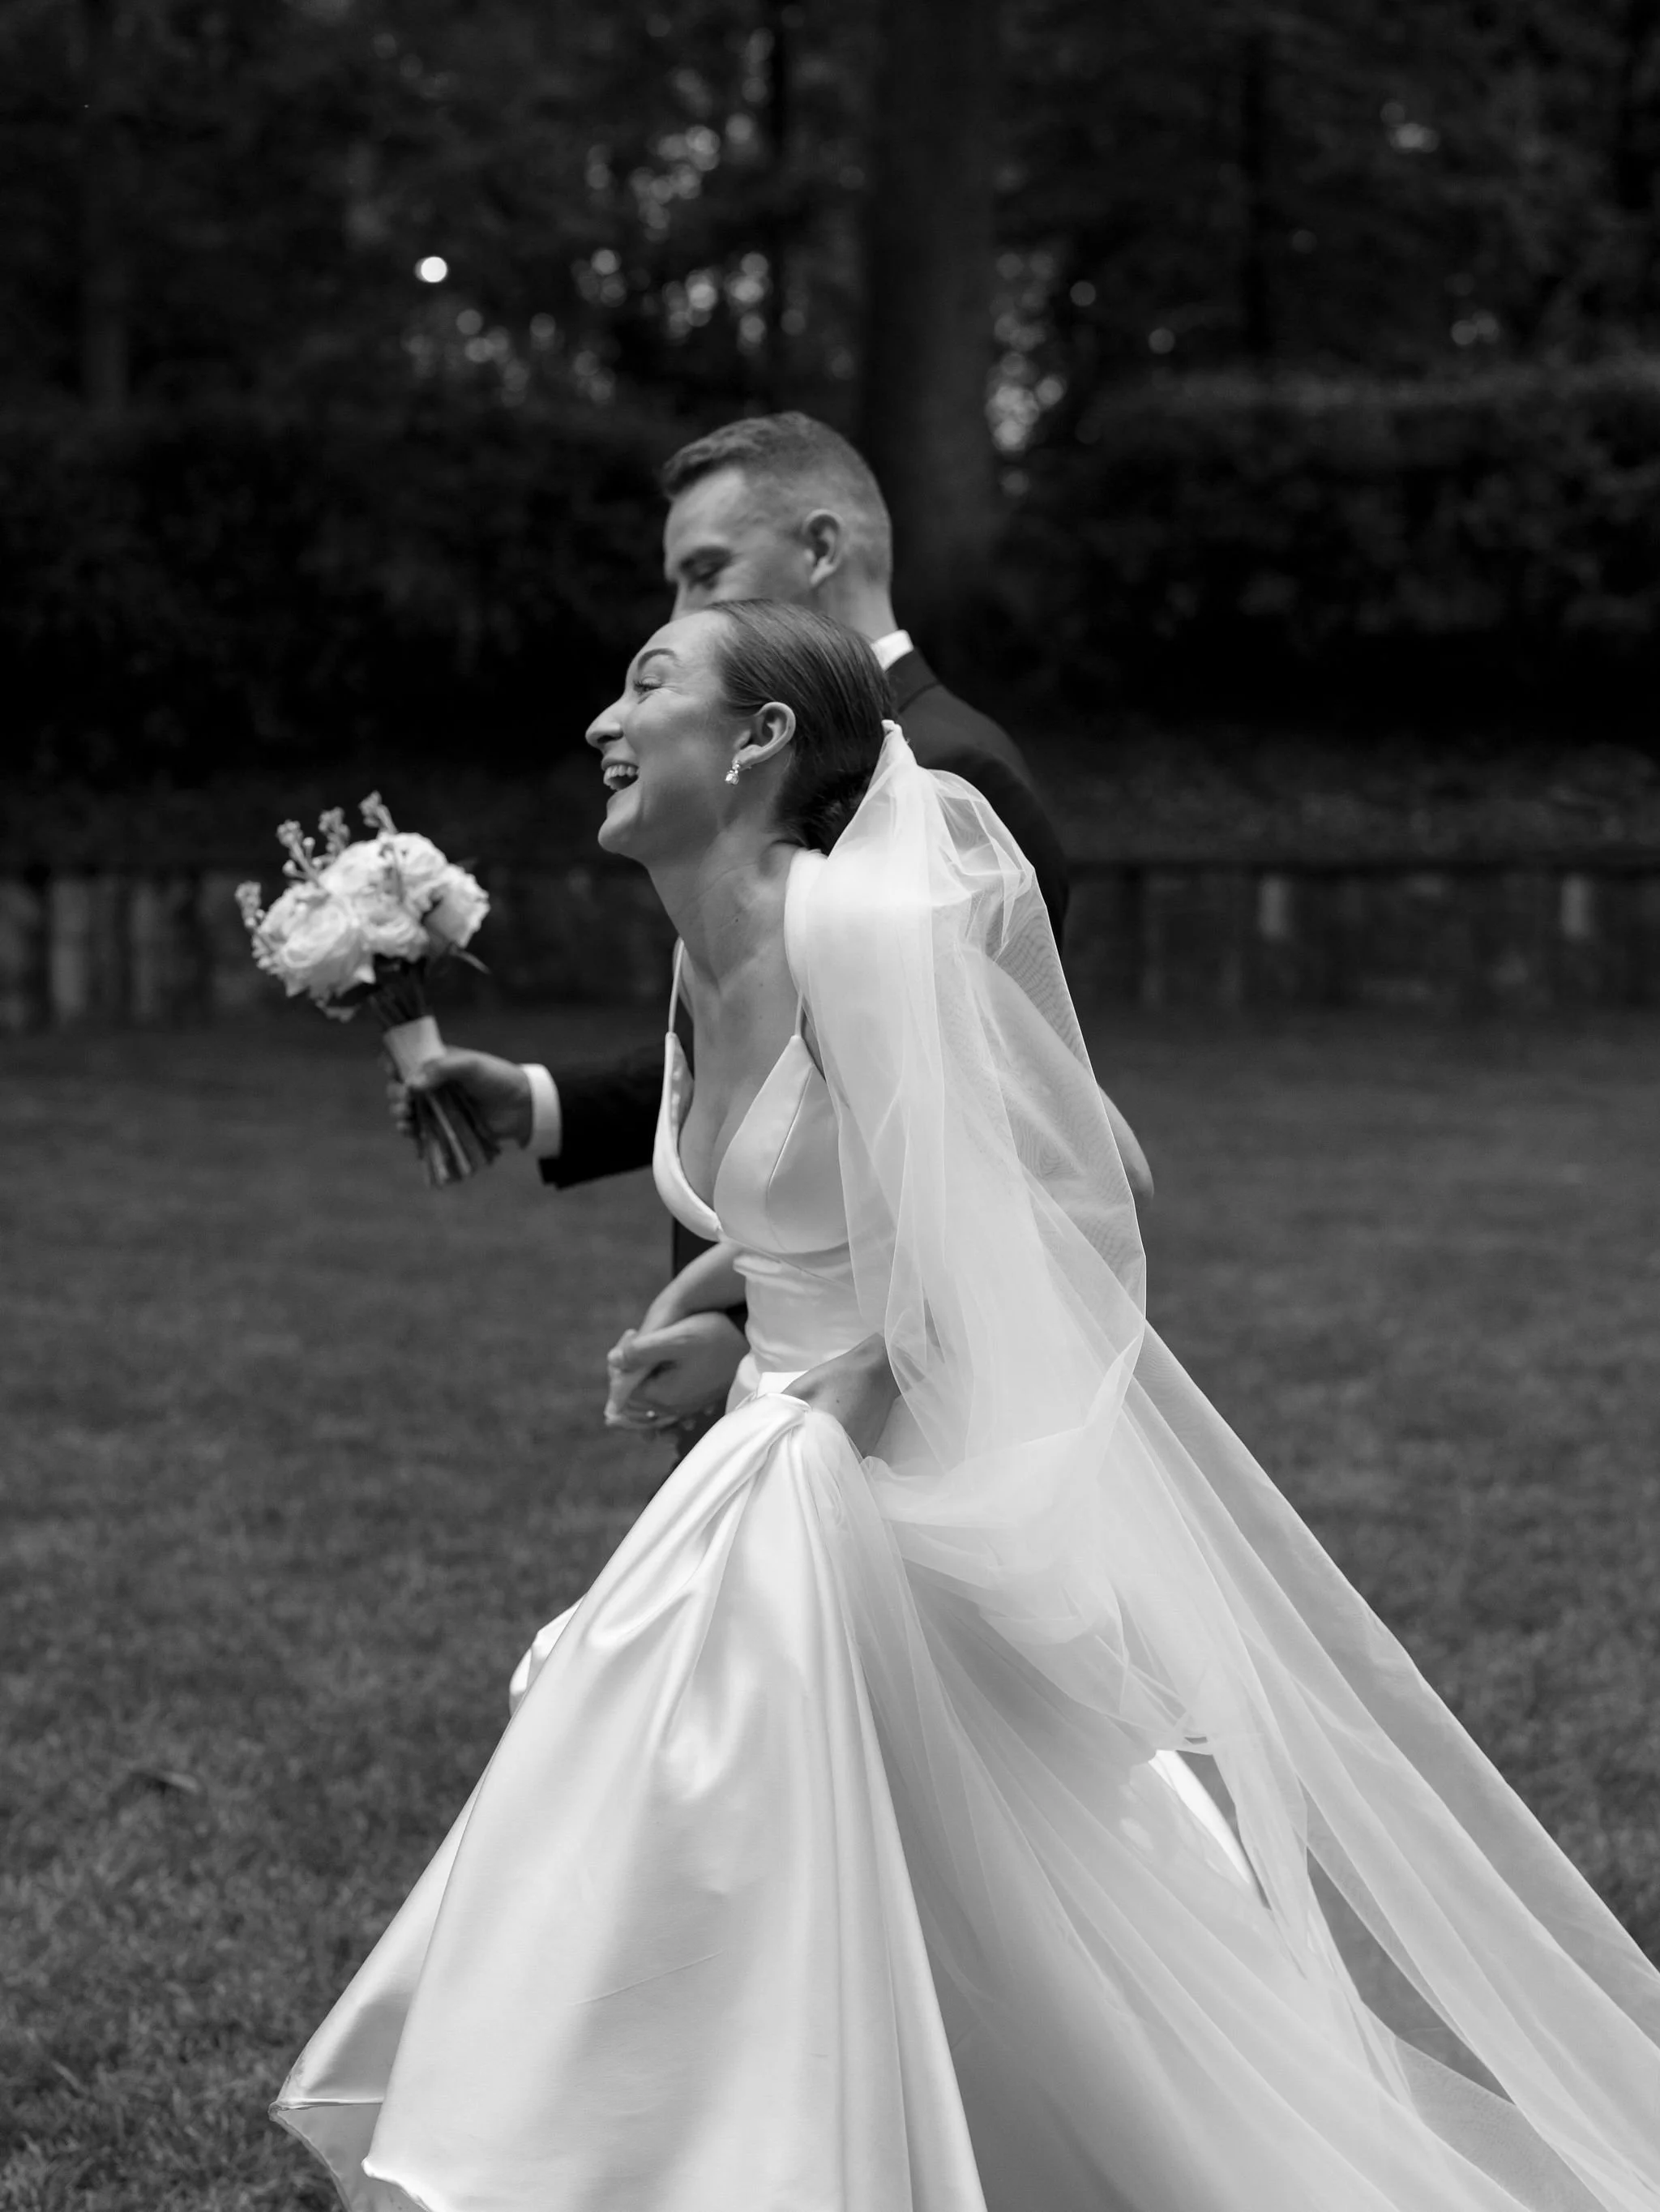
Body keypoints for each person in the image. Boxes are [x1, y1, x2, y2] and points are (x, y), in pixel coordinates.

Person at [277, 602, 1660, 2212]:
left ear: (758, 740)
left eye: (651, 680)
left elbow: (1078, 1188)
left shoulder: (854, 928)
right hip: (781, 1445)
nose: (605, 711)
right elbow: (829, 1204)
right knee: (774, 1857)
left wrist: (831, 1387)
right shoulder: (694, 946)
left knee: (738, 1816)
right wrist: (728, 1319)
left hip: (856, 1481)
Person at [389, 411, 1150, 1435]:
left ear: (821, 548)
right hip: (760, 1378)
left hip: (881, 1413)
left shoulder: (943, 774)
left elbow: (975, 1138)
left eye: (704, 573)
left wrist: (785, 1344)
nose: (679, 608)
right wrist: (540, 1100)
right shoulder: (722, 825)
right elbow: (793, 1062)